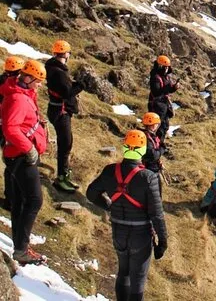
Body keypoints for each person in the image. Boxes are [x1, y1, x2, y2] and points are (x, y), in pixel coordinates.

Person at [86, 129, 168, 301]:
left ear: (125, 147)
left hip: (118, 231)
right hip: (141, 234)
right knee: (138, 278)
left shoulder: (110, 171)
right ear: (143, 150)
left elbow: (91, 193)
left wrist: (110, 206)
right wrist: (163, 241)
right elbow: (156, 213)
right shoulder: (148, 177)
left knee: (123, 271)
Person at [1, 60, 48, 265]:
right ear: (27, 78)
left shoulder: (23, 94)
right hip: (21, 156)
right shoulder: (18, 99)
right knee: (34, 200)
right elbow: (10, 128)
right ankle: (21, 249)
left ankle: (20, 246)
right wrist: (29, 148)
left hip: (18, 155)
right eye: (37, 81)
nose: (39, 85)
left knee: (20, 201)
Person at [45, 40, 83, 193]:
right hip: (61, 112)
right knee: (65, 144)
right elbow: (67, 93)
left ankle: (64, 175)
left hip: (57, 110)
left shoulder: (53, 68)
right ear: (66, 54)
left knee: (66, 143)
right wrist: (80, 86)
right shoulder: (59, 72)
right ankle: (61, 178)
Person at [0, 55, 26, 211]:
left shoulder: (3, 82)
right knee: (11, 164)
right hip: (8, 128)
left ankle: (10, 198)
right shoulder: (13, 87)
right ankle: (11, 199)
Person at [147, 55, 179, 145]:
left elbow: (167, 90)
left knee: (164, 126)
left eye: (167, 67)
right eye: (165, 67)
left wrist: (174, 88)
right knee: (156, 127)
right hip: (156, 105)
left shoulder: (166, 77)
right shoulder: (155, 77)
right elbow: (156, 92)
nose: (166, 69)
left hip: (164, 105)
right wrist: (168, 87)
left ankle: (160, 145)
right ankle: (154, 145)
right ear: (160, 66)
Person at [140, 112, 165, 195]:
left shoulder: (149, 135)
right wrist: (162, 149)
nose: (157, 126)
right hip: (150, 169)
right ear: (152, 125)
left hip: (150, 168)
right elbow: (153, 155)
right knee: (155, 193)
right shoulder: (147, 137)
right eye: (156, 124)